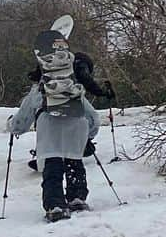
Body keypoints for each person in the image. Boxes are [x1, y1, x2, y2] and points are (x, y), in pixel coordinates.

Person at [9, 55, 101, 222]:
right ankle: (77, 199)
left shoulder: (40, 88)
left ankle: (55, 206)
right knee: (75, 163)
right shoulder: (73, 88)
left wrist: (12, 126)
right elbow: (94, 118)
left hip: (50, 128)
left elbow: (23, 119)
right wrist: (87, 137)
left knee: (53, 167)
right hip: (77, 127)